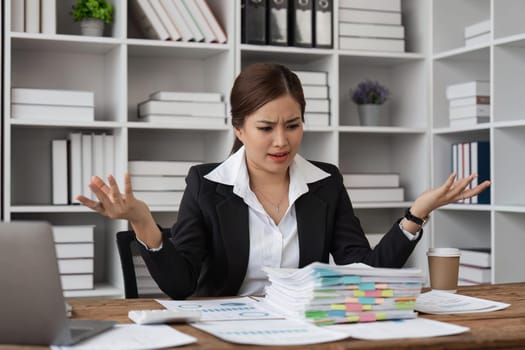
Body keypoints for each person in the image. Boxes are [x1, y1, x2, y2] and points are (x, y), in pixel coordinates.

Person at [77, 63, 491, 300]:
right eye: (265, 128)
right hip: (228, 334)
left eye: (293, 125)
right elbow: (180, 287)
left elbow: (363, 273)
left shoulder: (325, 183)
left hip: (306, 332)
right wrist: (142, 221)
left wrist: (416, 214)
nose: (281, 141)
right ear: (239, 129)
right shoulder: (206, 184)